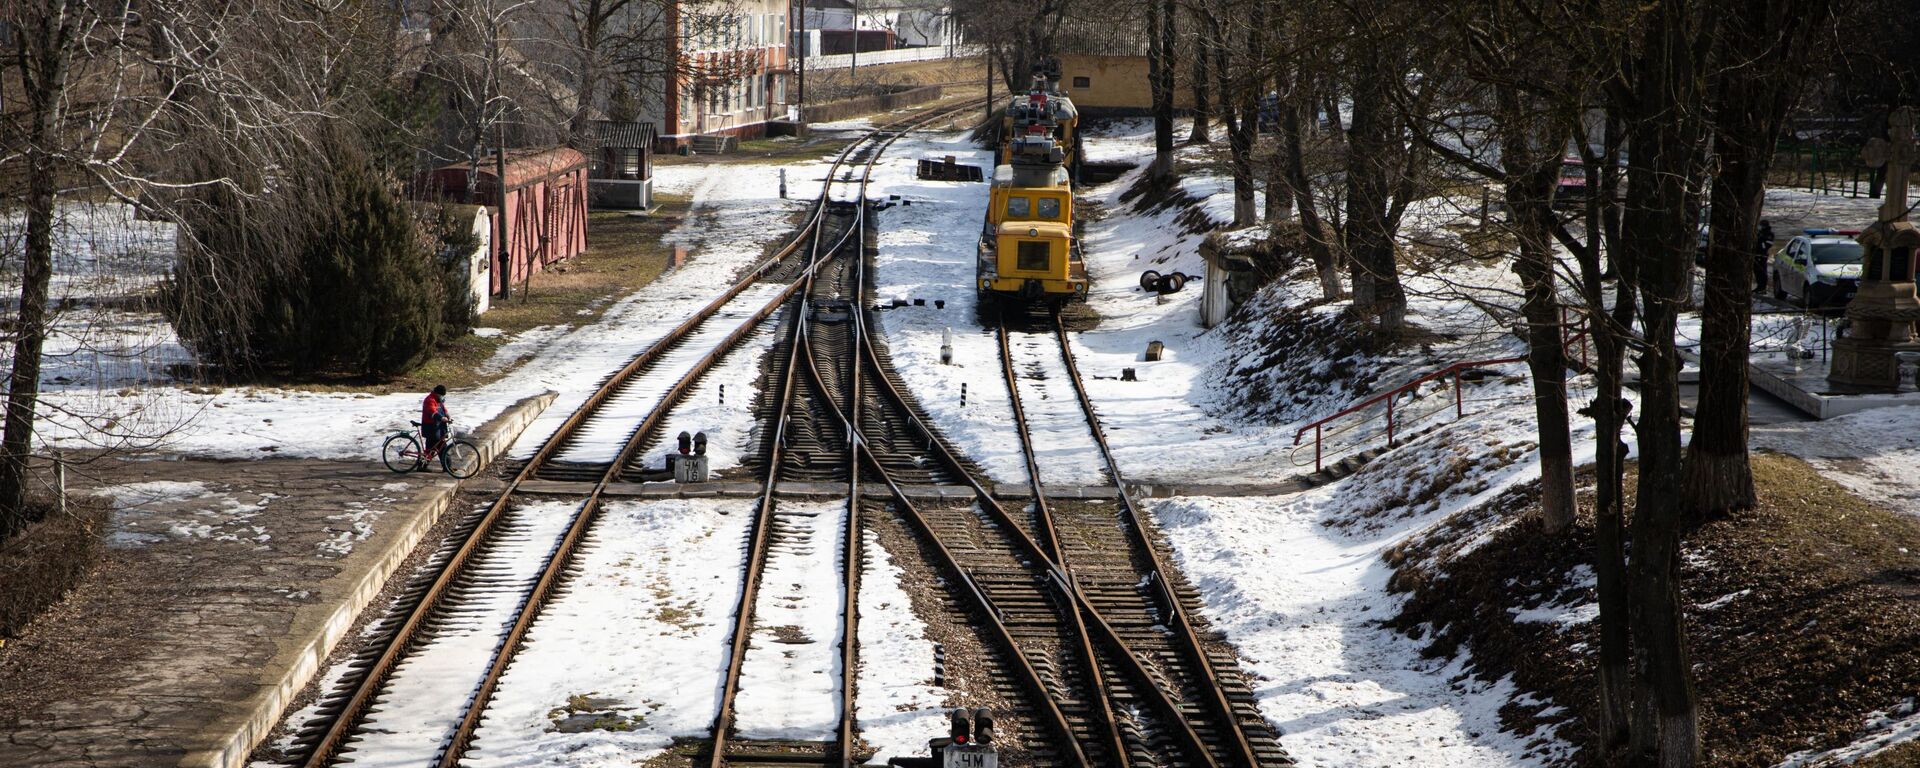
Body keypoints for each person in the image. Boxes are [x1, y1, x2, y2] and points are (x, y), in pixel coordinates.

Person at [420, 385, 450, 470]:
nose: (442, 397)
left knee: (438, 447)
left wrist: (447, 414)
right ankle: (447, 467)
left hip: (438, 428)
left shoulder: (438, 400)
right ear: (437, 393)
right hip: (431, 428)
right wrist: (442, 418)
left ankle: (446, 466)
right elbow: (433, 412)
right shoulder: (429, 400)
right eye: (441, 395)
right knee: (436, 447)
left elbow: (443, 409)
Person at [1754, 220, 1775, 293]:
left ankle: (1763, 288)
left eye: (1761, 225)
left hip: (1762, 255)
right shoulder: (1760, 232)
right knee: (1756, 271)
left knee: (1762, 271)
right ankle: (1759, 286)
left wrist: (1762, 241)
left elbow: (1768, 244)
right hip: (1756, 253)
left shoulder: (1769, 234)